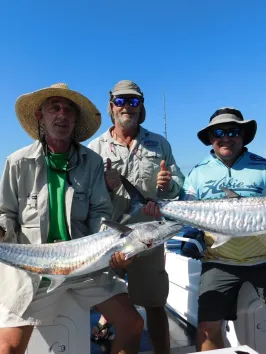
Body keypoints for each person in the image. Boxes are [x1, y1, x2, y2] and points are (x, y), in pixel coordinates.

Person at [0, 83, 144, 354]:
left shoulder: (91, 162)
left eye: (69, 110)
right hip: (31, 270)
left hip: (83, 266)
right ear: (40, 116)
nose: (62, 115)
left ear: (76, 119)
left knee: (133, 324)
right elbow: (4, 212)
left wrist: (112, 248)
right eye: (54, 108)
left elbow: (100, 212)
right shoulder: (16, 162)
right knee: (7, 348)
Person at [88, 80, 185, 353]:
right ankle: (107, 323)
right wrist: (105, 186)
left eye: (133, 101)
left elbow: (177, 183)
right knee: (106, 299)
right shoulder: (95, 148)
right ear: (111, 107)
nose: (126, 106)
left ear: (141, 106)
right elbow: (83, 195)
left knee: (154, 304)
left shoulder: (159, 143)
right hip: (106, 237)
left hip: (148, 238)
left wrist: (169, 185)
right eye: (120, 100)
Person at [180, 107, 266, 351]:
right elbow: (185, 210)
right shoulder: (197, 173)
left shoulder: (263, 167)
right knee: (207, 328)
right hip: (218, 261)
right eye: (219, 131)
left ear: (243, 135)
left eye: (233, 131)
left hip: (263, 260)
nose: (226, 137)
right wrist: (191, 233)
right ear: (210, 137)